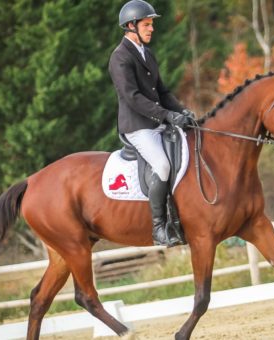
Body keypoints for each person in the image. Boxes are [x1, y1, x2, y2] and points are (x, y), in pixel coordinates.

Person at [108, 0, 194, 246]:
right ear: (131, 26)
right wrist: (167, 116)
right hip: (137, 126)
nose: (151, 29)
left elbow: (163, 92)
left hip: (157, 122)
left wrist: (182, 111)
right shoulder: (120, 57)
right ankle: (158, 228)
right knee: (163, 165)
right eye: (147, 25)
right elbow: (132, 97)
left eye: (151, 24)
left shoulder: (147, 54)